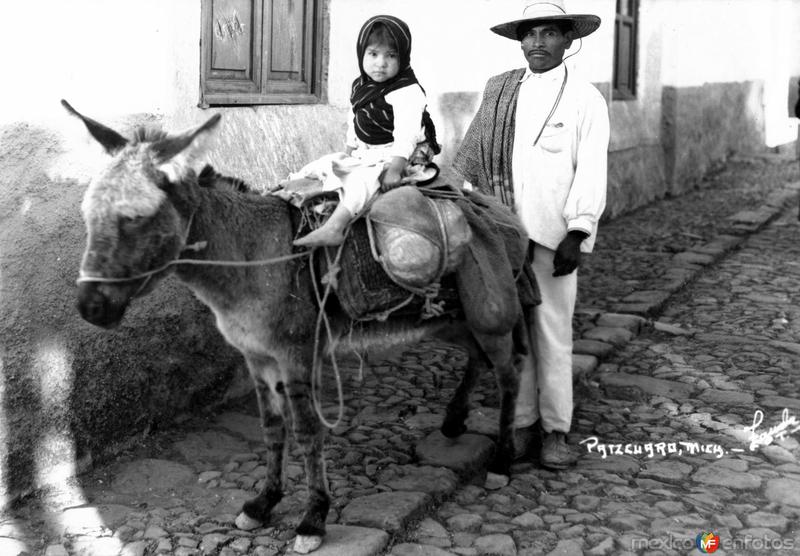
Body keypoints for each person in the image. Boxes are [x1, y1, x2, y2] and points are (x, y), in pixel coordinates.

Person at [452, 0, 609, 470]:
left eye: (548, 33)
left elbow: (592, 171)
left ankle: (555, 431)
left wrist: (577, 233)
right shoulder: (500, 91)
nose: (537, 43)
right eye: (529, 34)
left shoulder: (585, 99)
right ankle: (519, 427)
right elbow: (472, 160)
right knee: (513, 333)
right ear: (519, 41)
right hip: (502, 234)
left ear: (568, 40)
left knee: (553, 334)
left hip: (553, 236)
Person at [290, 14, 439, 247]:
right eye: (373, 54)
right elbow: (355, 121)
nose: (381, 63)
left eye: (391, 55)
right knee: (323, 165)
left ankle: (335, 226)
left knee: (363, 181)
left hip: (398, 155)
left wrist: (395, 169)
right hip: (367, 152)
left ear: (403, 57)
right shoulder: (361, 86)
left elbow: (406, 135)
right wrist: (348, 153)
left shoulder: (406, 91)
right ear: (362, 54)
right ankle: (286, 196)